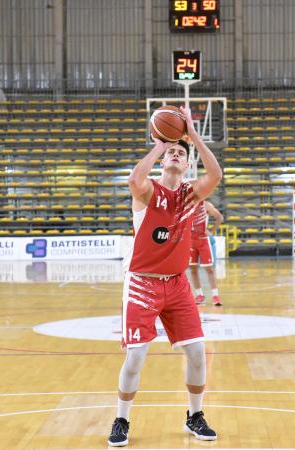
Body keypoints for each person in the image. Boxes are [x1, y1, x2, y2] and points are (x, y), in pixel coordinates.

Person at [107, 106, 222, 447]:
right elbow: (133, 180)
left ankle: (195, 415)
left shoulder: (190, 196)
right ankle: (121, 419)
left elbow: (214, 174)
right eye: (171, 152)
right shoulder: (148, 192)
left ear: (187, 165)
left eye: (180, 153)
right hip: (142, 284)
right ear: (162, 160)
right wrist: (161, 142)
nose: (175, 154)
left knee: (198, 353)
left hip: (177, 284)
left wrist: (192, 137)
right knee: (136, 356)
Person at [189, 201, 224, 306]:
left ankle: (215, 296)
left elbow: (219, 218)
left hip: (203, 240)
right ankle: (199, 295)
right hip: (190, 241)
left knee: (209, 269)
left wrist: (211, 231)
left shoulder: (206, 205)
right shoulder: (186, 205)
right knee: (193, 269)